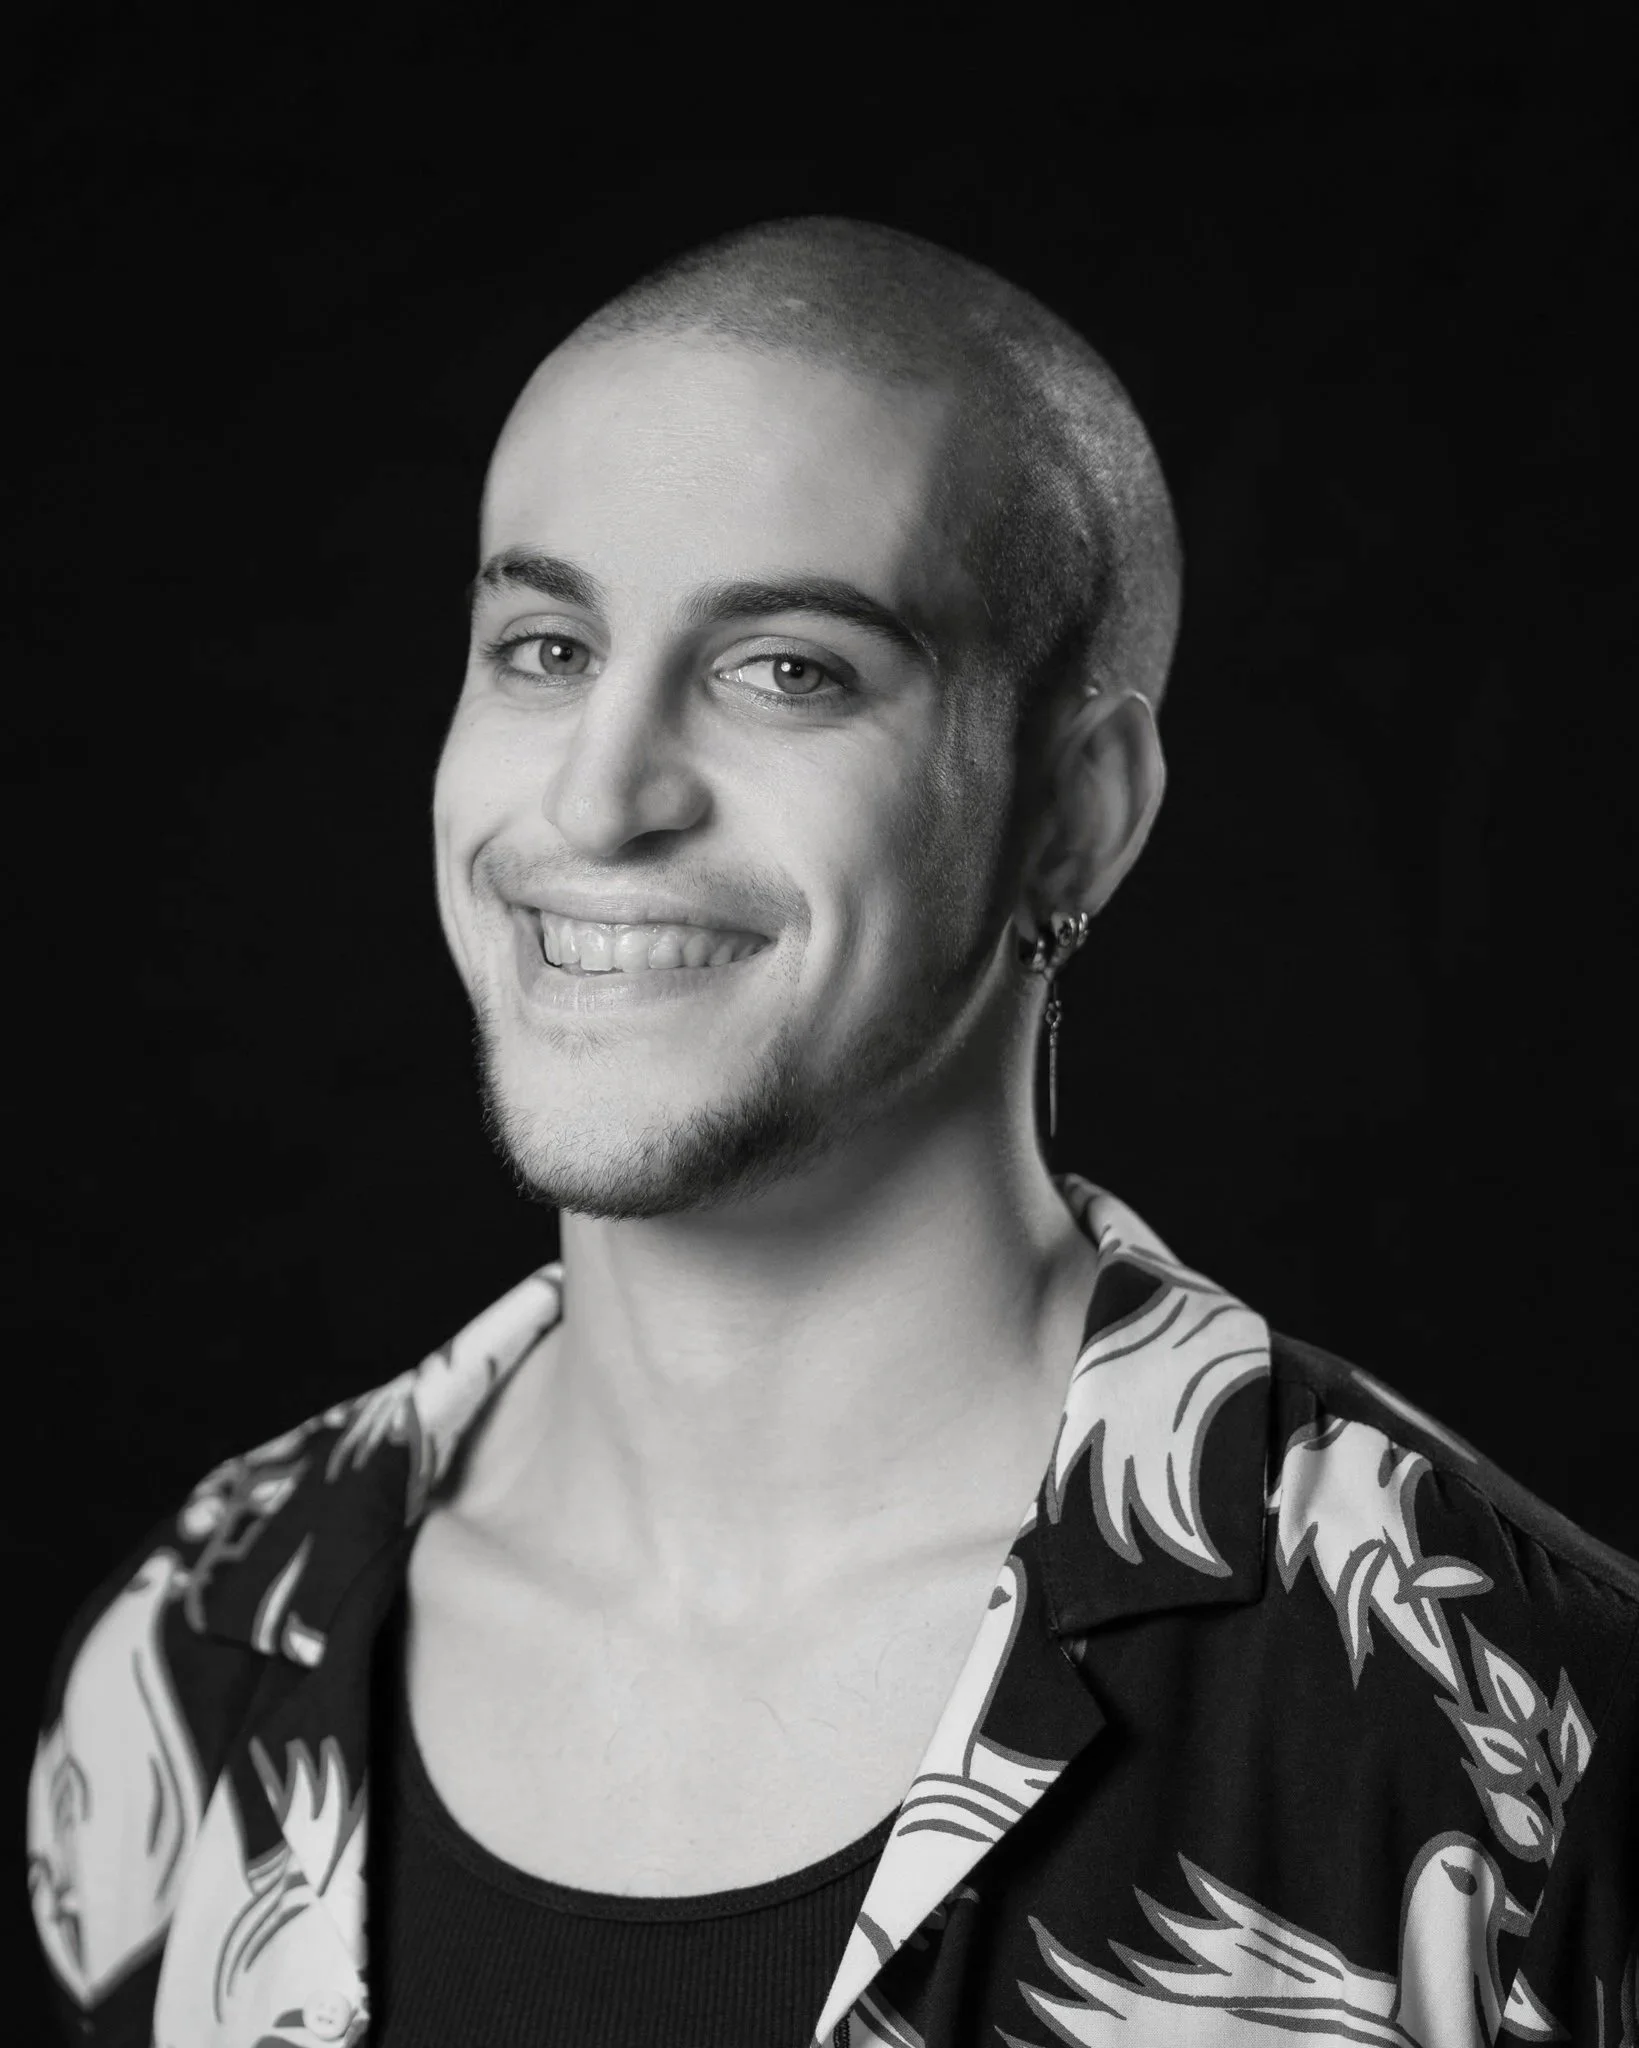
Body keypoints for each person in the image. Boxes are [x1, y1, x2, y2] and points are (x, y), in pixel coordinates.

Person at [26, 216, 1638, 2048]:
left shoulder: (1496, 1726)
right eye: (544, 646)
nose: (600, 796)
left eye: (786, 669)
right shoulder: (196, 1645)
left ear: (1075, 813)